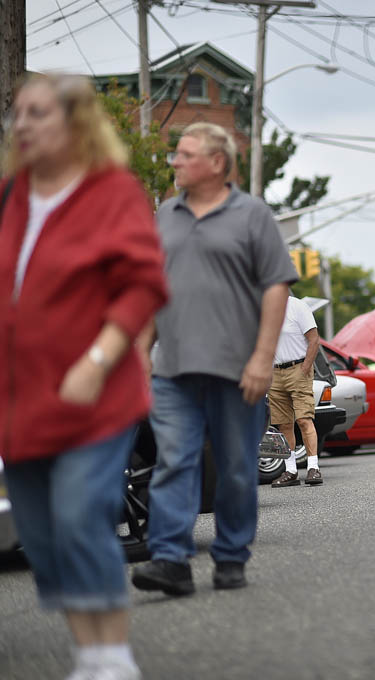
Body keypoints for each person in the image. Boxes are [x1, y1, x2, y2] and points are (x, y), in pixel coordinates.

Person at [0, 73, 168, 680]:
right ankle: (87, 651)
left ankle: (110, 657)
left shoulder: (110, 192)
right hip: (20, 404)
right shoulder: (10, 196)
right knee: (42, 536)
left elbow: (143, 284)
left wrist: (99, 358)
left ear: (74, 125)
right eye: (18, 113)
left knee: (78, 515)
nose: (22, 125)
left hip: (95, 394)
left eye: (38, 113)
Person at [132, 122, 297, 595]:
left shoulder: (252, 215)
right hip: (174, 370)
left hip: (237, 369)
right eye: (175, 155)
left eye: (185, 155)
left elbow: (276, 287)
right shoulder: (166, 214)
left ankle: (230, 556)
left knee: (237, 469)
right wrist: (142, 351)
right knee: (173, 463)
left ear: (218, 162)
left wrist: (263, 359)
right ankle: (170, 560)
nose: (175, 162)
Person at [269, 295, 323, 487]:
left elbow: (314, 340)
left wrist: (305, 368)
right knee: (283, 424)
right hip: (275, 372)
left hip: (298, 369)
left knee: (304, 419)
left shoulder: (297, 306)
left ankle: (313, 467)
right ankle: (290, 471)